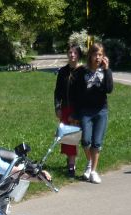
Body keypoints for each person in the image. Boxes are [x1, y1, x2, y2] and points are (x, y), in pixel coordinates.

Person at [71, 42, 113, 184]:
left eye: (100, 54)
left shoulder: (105, 71)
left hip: (101, 110)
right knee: (86, 140)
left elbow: (109, 89)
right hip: (85, 111)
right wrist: (75, 114)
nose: (98, 57)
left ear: (103, 56)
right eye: (95, 54)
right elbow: (76, 94)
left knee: (97, 142)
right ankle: (90, 162)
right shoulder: (82, 71)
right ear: (90, 55)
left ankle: (93, 171)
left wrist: (107, 70)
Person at [54, 45, 83, 177]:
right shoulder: (63, 71)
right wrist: (57, 107)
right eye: (70, 52)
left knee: (73, 137)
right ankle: (70, 160)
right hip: (65, 108)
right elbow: (57, 91)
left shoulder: (82, 71)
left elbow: (84, 94)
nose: (72, 55)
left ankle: (71, 166)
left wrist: (76, 113)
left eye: (75, 53)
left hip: (77, 109)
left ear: (78, 55)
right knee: (66, 137)